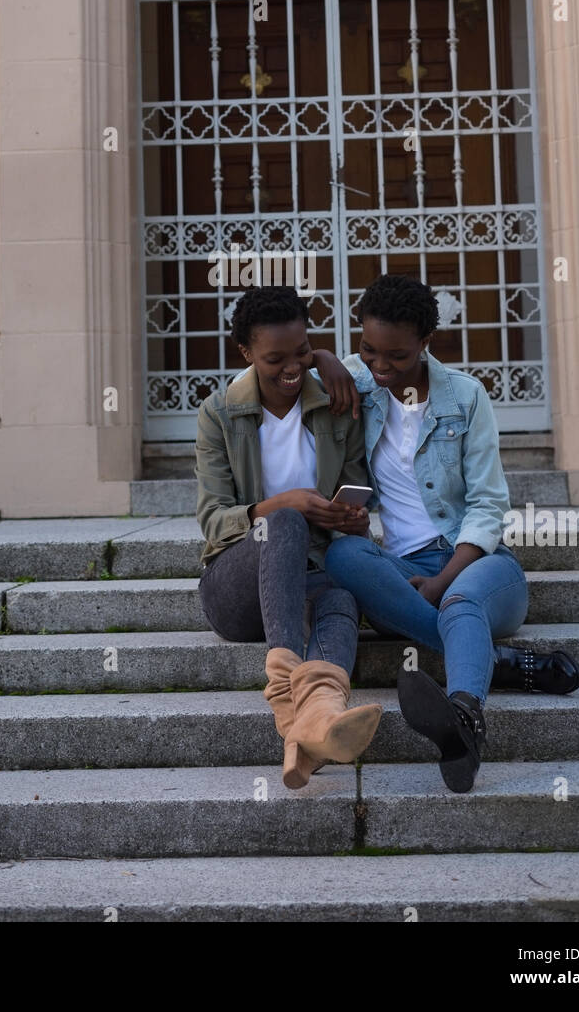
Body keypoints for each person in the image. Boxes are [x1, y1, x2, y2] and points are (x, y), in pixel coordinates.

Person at [314, 273, 579, 794]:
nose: (381, 367)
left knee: (460, 602)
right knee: (344, 556)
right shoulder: (362, 380)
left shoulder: (465, 396)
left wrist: (444, 580)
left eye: (396, 356)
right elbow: (275, 369)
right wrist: (323, 357)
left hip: (478, 565)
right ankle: (497, 664)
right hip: (402, 568)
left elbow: (488, 504)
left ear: (426, 344)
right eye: (368, 350)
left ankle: (465, 716)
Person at [194, 285, 382, 790]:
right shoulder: (219, 414)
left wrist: (350, 518)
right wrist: (287, 504)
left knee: (341, 594)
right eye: (274, 358)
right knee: (283, 523)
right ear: (246, 354)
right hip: (235, 589)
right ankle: (284, 689)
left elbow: (362, 481)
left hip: (310, 576)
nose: (292, 368)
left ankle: (314, 721)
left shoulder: (336, 403)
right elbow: (213, 521)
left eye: (302, 352)